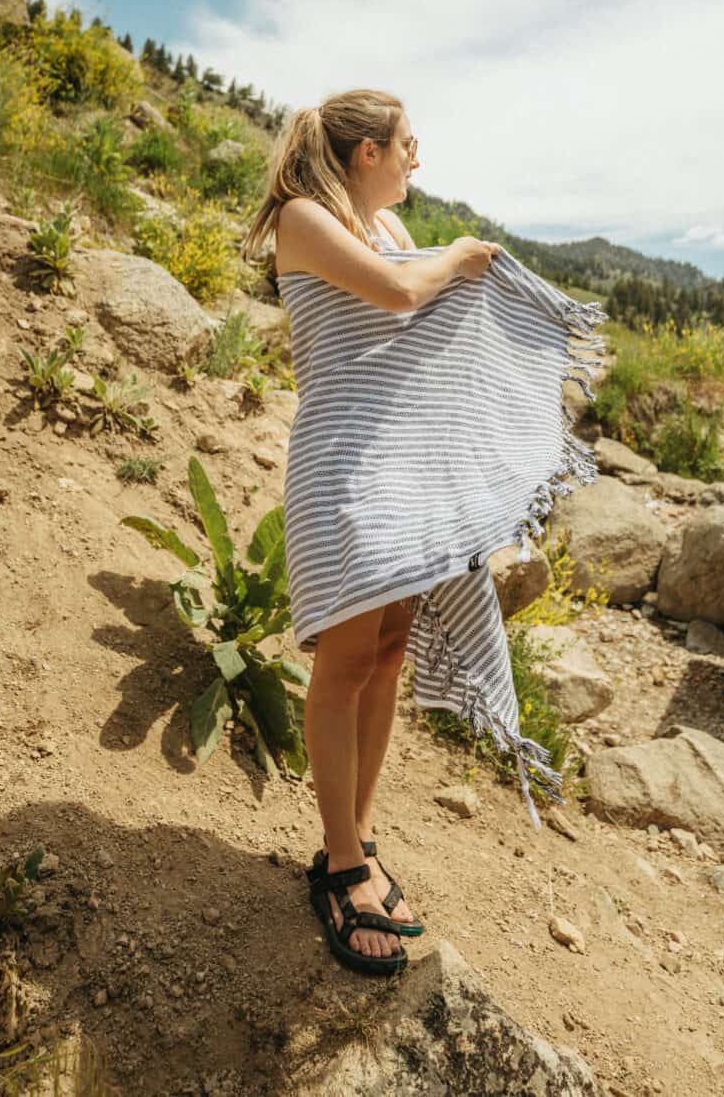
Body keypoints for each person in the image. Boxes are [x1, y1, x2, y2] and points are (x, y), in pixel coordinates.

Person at [242, 88, 503, 975]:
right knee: (347, 660)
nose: (416, 159)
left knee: (388, 650)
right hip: (345, 470)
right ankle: (341, 865)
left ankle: (356, 836)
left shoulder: (384, 230)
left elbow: (420, 311)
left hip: (400, 474)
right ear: (366, 154)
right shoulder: (306, 220)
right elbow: (398, 297)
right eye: (407, 144)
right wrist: (463, 255)